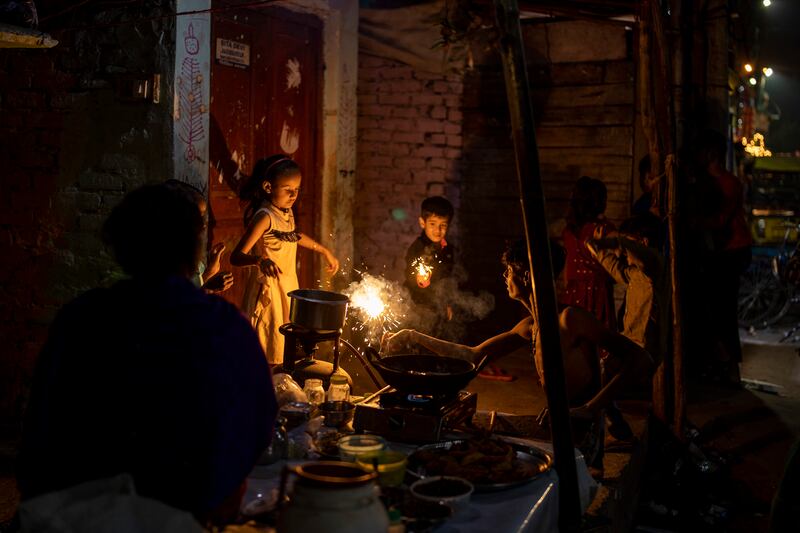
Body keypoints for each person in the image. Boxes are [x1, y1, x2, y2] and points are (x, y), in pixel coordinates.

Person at [17, 184, 278, 525]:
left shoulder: (82, 318)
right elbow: (258, 421)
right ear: (194, 248)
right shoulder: (222, 325)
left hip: (87, 513)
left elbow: (42, 425)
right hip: (187, 510)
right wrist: (213, 493)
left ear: (121, 247)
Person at [383, 239, 653, 464]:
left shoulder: (570, 319)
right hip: (558, 424)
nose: (504, 277)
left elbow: (640, 359)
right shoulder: (530, 326)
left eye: (508, 271)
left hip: (581, 434)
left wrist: (590, 408)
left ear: (525, 275)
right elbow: (473, 356)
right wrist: (412, 336)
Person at [232, 155, 340, 364]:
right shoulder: (265, 216)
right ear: (268, 187)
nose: (293, 195)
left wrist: (324, 250)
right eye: (288, 189)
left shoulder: (286, 211)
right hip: (269, 290)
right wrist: (259, 261)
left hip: (286, 287)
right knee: (266, 346)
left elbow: (294, 235)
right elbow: (236, 257)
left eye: (297, 190)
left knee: (282, 346)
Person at [695, 131, 752, 384]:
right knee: (720, 311)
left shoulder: (726, 184)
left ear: (711, 155)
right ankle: (727, 367)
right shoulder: (721, 181)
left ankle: (729, 368)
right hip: (729, 250)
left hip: (730, 251)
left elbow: (720, 221)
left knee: (721, 312)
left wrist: (696, 222)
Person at [561, 176, 617, 332]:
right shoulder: (603, 229)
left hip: (573, 294)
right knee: (598, 342)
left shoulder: (569, 231)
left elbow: (568, 270)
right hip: (598, 295)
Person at [164, 179, 234, 294]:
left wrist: (209, 277)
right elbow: (174, 297)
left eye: (203, 216)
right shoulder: (165, 254)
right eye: (196, 217)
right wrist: (208, 275)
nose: (204, 224)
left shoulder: (188, 249)